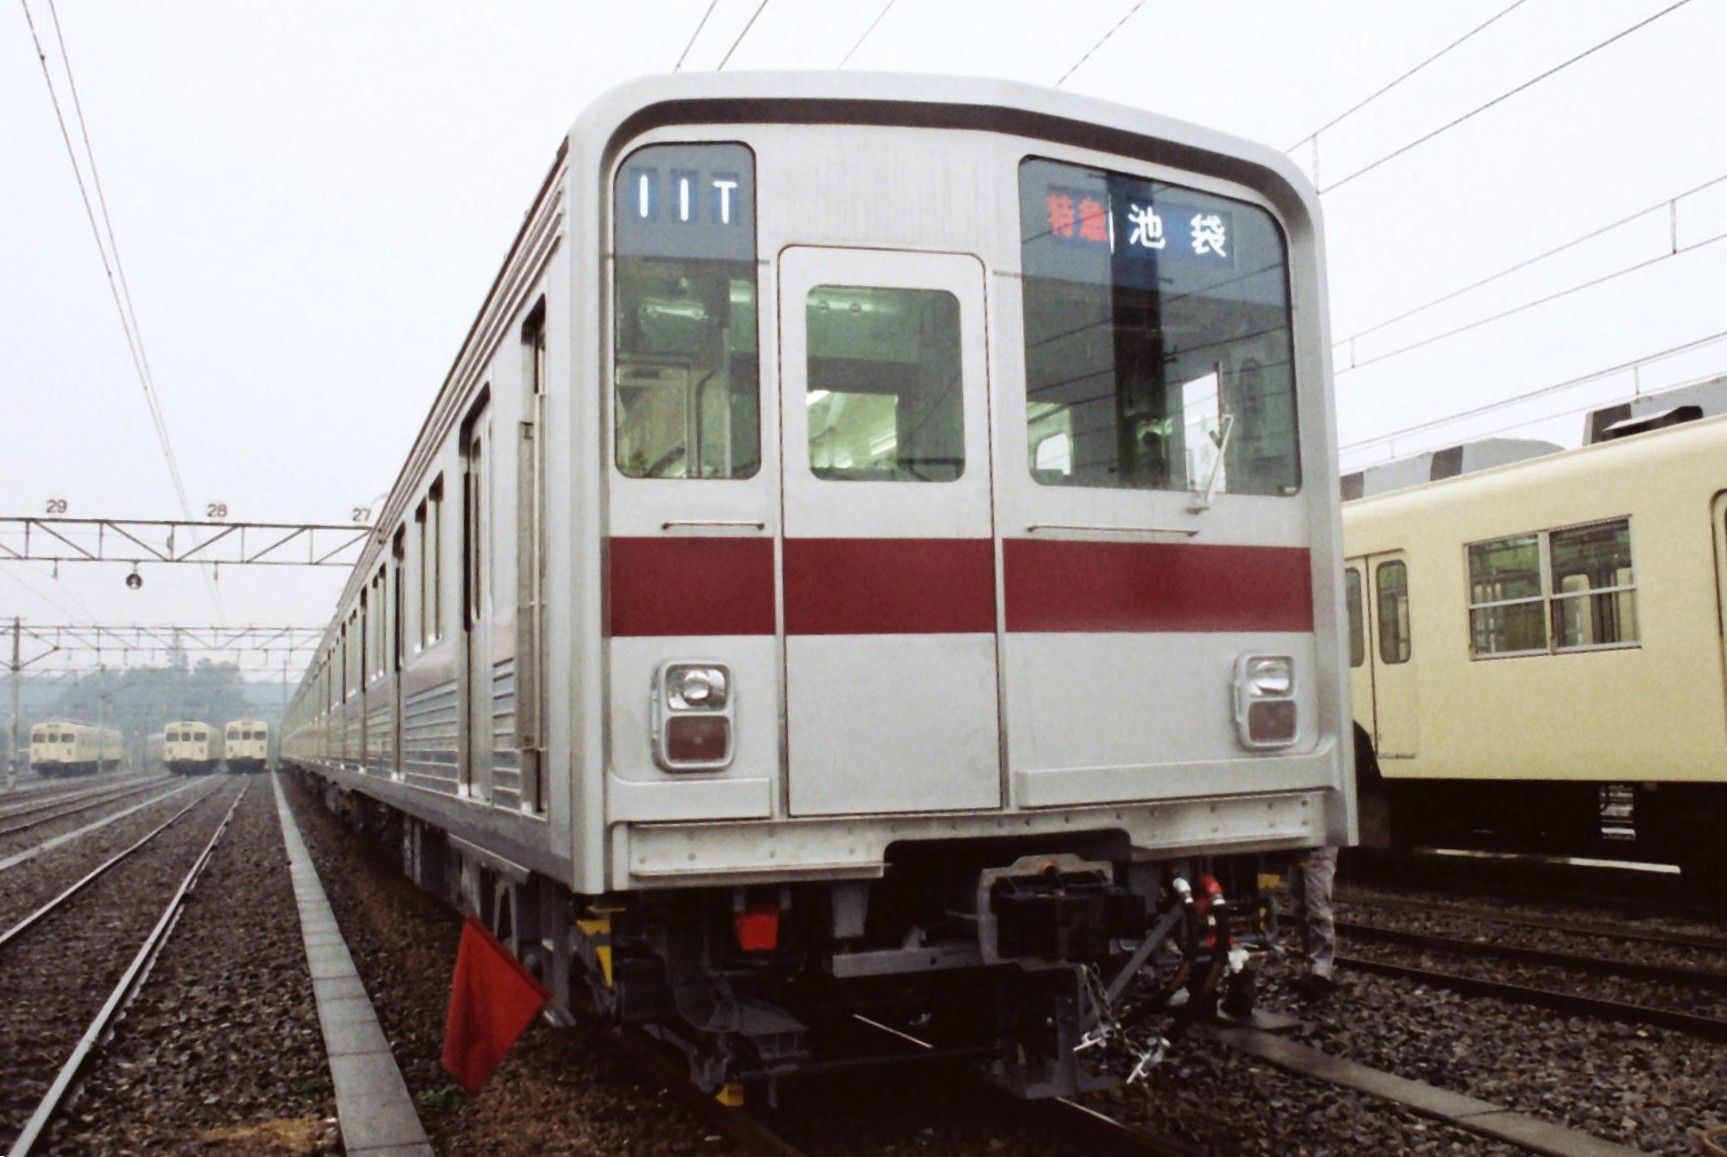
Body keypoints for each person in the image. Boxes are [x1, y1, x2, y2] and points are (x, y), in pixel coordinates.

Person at [1289, 845, 1338, 1000]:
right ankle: (1314, 968)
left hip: (1317, 845)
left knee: (1317, 908)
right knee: (1300, 907)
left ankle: (1321, 973)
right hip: (1301, 843)